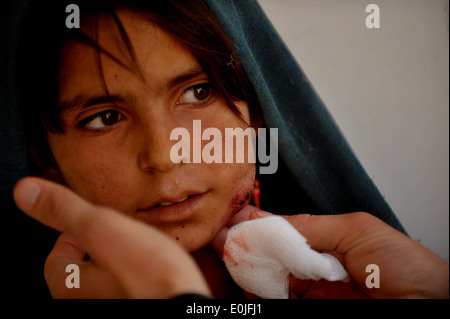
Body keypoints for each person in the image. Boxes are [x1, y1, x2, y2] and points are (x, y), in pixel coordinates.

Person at [5, 0, 448, 299]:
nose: (165, 154)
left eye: (199, 92)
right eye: (104, 117)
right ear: (46, 159)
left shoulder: (364, 276)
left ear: (257, 112)